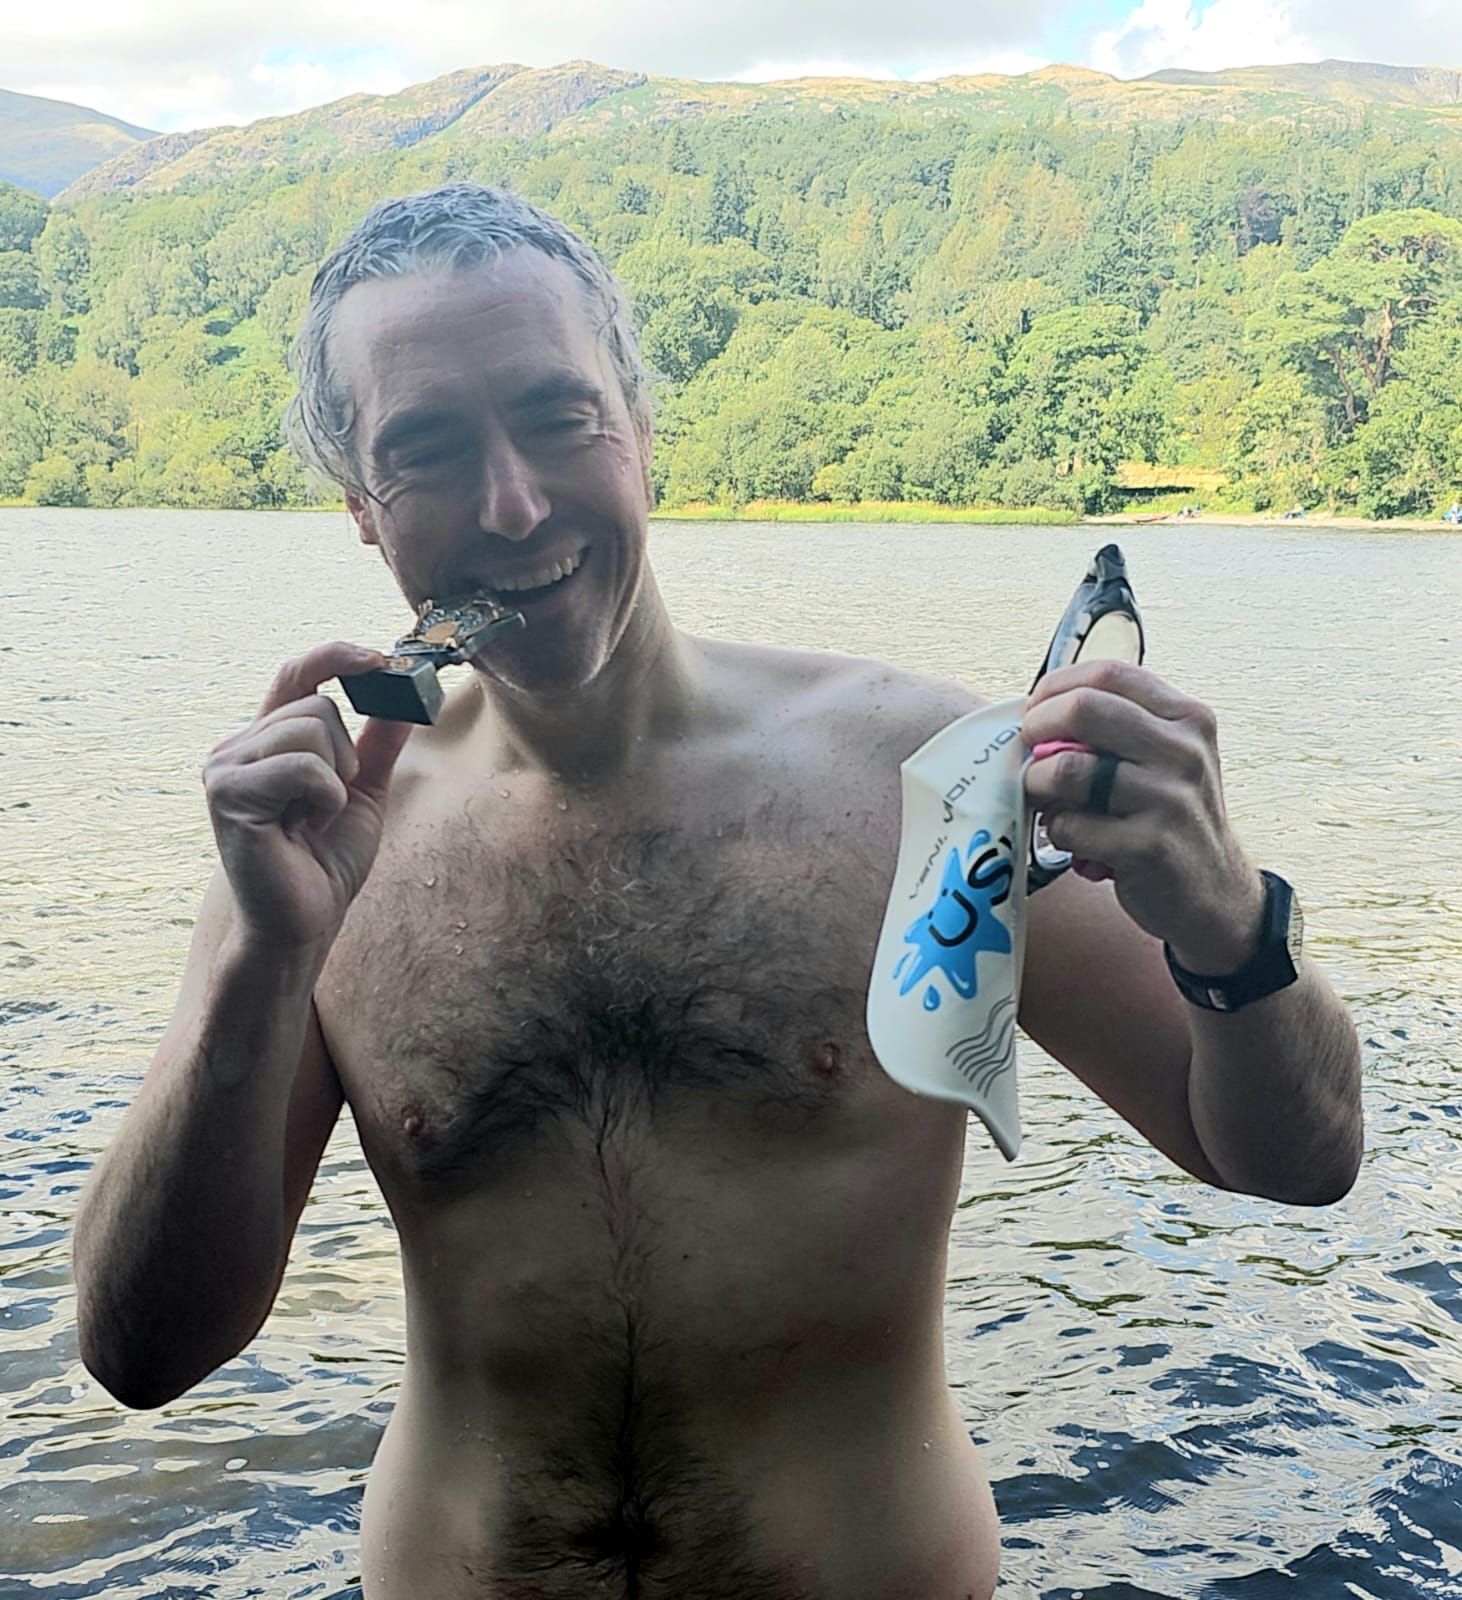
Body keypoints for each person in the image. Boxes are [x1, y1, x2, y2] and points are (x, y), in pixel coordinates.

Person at [71, 185, 1364, 1600]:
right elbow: (142, 1354)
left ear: (641, 430)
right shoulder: (321, 847)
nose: (513, 505)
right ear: (364, 513)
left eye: (560, 418)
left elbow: (1292, 1159)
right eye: (427, 450)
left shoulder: (924, 778)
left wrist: (1224, 917)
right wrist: (264, 964)